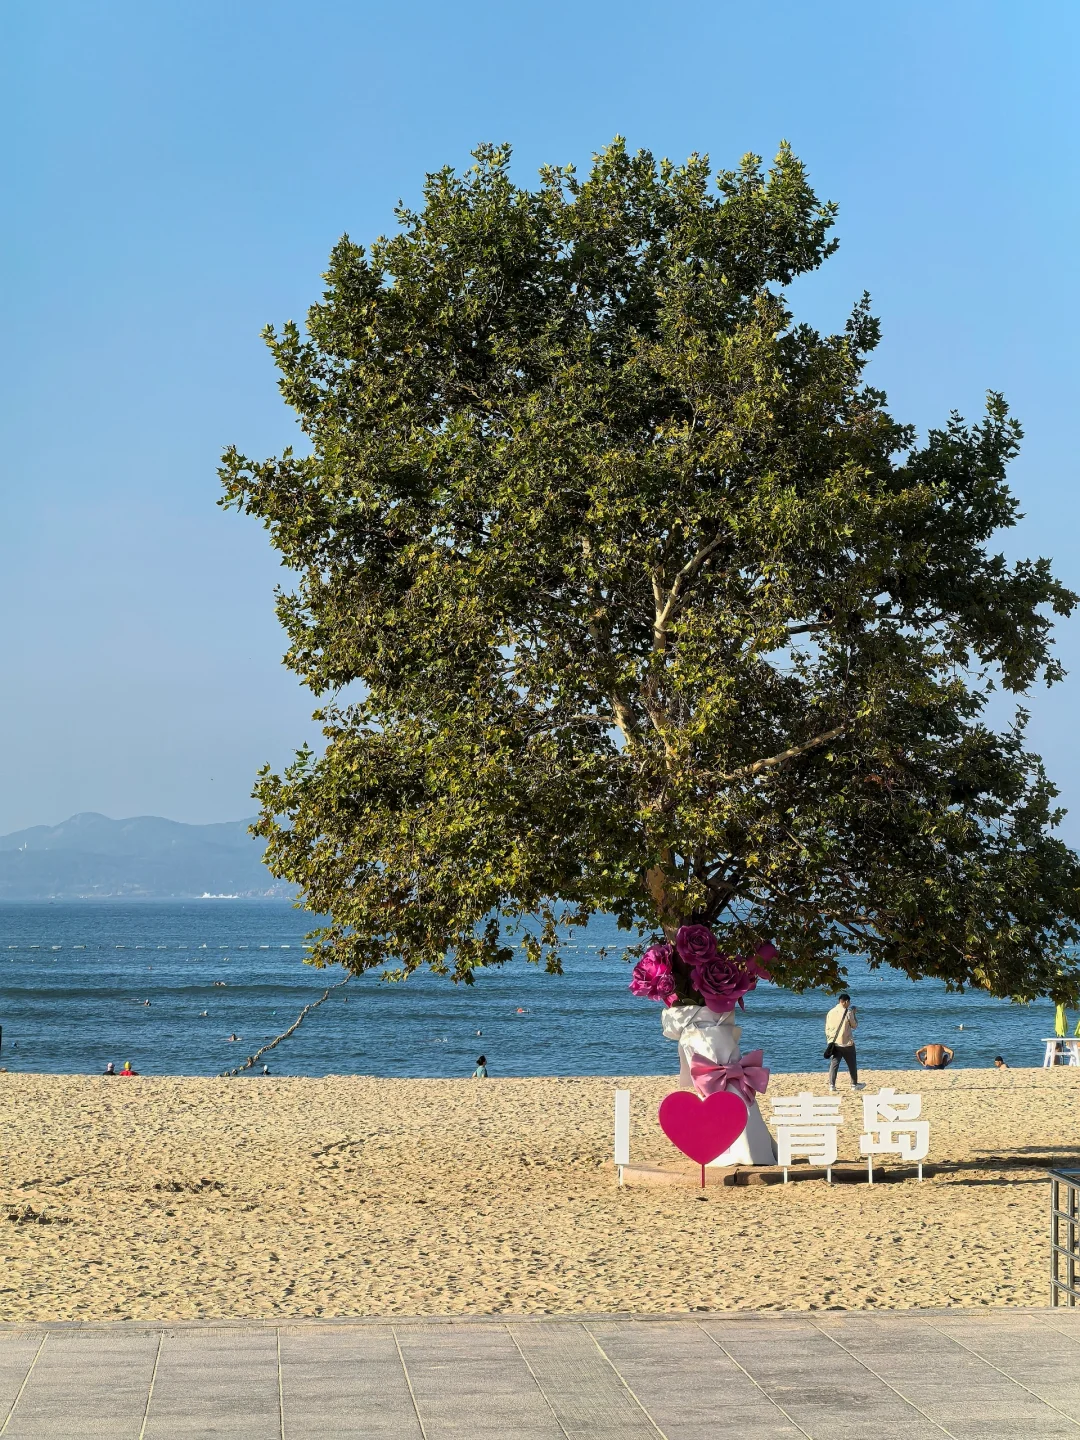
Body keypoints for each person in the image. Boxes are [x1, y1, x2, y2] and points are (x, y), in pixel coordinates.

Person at [825, 994, 864, 1093]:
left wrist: (830, 1040)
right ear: (845, 1002)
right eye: (849, 1002)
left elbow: (827, 1028)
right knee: (852, 1064)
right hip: (847, 1043)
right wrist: (854, 1013)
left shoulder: (831, 1012)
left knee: (834, 1064)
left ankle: (832, 1085)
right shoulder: (848, 1012)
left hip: (835, 1043)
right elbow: (854, 1025)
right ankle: (853, 1084)